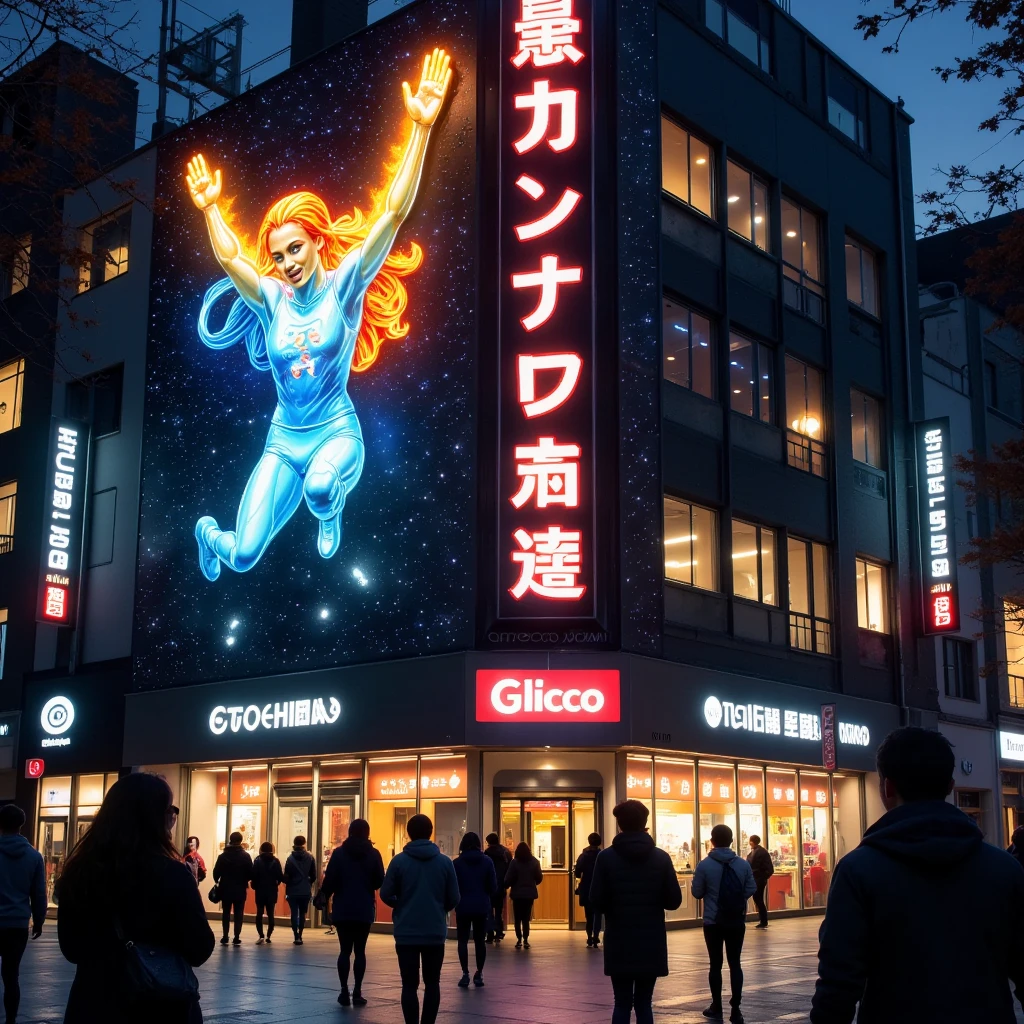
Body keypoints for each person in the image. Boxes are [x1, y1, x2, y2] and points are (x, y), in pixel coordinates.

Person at [183, 49, 453, 582]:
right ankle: (208, 535)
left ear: (317, 243)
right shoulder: (271, 299)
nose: (287, 264)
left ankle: (329, 513)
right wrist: (212, 207)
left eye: (295, 250)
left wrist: (420, 128)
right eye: (279, 256)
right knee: (242, 557)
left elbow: (393, 214)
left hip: (335, 435)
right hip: (284, 440)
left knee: (321, 487)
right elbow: (231, 258)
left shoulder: (345, 285)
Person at [812, 727, 1024, 1023]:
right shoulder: (1004, 868)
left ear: (886, 788)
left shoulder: (857, 870)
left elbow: (838, 984)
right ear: (950, 785)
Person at [55, 772, 215, 1023]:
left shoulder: (80, 871)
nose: (173, 818)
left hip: (93, 1004)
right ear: (155, 817)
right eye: (170, 810)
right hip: (157, 1007)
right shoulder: (172, 873)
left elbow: (71, 948)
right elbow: (200, 949)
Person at [588, 800, 682, 1024]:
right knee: (643, 1003)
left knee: (621, 1003)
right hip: (651, 940)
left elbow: (596, 901)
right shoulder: (661, 858)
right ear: (645, 823)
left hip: (619, 938)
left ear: (619, 825)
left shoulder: (606, 858)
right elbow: (674, 901)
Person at [380, 814, 460, 1024]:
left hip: (406, 931)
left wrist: (401, 905)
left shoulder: (398, 861)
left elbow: (385, 894)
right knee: (433, 982)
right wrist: (439, 909)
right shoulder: (444, 862)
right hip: (434, 931)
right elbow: (454, 897)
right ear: (430, 832)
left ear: (409, 833)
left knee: (409, 984)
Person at [691, 824, 756, 1024]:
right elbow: (751, 887)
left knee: (715, 964)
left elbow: (696, 892)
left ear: (712, 841)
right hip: (736, 920)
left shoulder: (704, 865)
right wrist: (736, 900)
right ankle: (736, 1008)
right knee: (735, 963)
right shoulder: (742, 864)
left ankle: (716, 1005)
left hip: (713, 921)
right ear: (732, 841)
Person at [320, 818, 386, 1007]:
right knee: (360, 951)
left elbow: (330, 880)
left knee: (344, 951)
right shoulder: (373, 854)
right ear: (367, 832)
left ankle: (343, 991)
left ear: (350, 832)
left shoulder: (339, 853)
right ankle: (357, 991)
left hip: (343, 907)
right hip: (363, 907)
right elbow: (379, 881)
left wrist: (325, 895)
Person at [0, 804, 45, 1024]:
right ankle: (10, 1020)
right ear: (22, 825)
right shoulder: (34, 857)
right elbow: (38, 893)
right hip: (17, 925)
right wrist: (38, 921)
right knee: (11, 976)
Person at [452, 832, 496, 988]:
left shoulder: (456, 863)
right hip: (481, 906)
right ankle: (479, 973)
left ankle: (465, 973)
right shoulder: (487, 862)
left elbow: (453, 886)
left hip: (463, 906)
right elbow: (493, 886)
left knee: (462, 940)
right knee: (480, 941)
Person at [213, 831, 253, 946]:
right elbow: (250, 873)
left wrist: (219, 881)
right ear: (241, 841)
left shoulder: (223, 856)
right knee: (239, 912)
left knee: (226, 912)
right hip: (240, 888)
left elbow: (216, 873)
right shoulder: (245, 856)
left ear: (230, 840)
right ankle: (236, 936)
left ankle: (225, 936)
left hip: (226, 887)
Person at [504, 842, 542, 949]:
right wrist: (532, 883)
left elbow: (508, 878)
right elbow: (539, 878)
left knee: (517, 918)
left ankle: (519, 939)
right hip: (529, 894)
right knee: (526, 918)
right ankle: (526, 939)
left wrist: (507, 885)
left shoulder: (514, 863)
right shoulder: (534, 862)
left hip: (517, 894)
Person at [284, 835, 317, 944]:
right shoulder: (310, 857)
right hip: (305, 890)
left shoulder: (290, 859)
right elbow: (314, 875)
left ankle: (295, 935)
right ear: (304, 843)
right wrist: (308, 883)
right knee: (302, 913)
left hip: (293, 890)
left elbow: (286, 876)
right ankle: (301, 934)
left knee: (294, 913)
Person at [250, 842, 284, 944]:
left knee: (259, 913)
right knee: (271, 914)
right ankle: (269, 935)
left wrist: (254, 886)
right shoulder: (276, 861)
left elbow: (253, 876)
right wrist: (276, 884)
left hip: (260, 891)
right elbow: (280, 876)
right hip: (272, 891)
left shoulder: (257, 860)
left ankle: (261, 935)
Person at [574, 832, 603, 947]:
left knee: (588, 914)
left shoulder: (584, 855)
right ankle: (596, 935)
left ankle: (589, 936)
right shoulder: (602, 855)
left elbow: (577, 872)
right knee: (598, 913)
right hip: (600, 887)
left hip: (586, 886)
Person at [483, 833, 511, 943]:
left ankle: (490, 933)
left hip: (489, 885)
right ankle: (499, 931)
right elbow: (509, 868)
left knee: (489, 911)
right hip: (501, 885)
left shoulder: (487, 853)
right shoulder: (505, 852)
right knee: (499, 910)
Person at [745, 836, 773, 929]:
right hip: (756, 879)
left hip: (758, 879)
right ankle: (763, 920)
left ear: (752, 842)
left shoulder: (760, 852)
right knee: (758, 899)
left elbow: (769, 868)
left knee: (758, 899)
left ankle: (763, 920)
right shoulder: (756, 852)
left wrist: (762, 877)